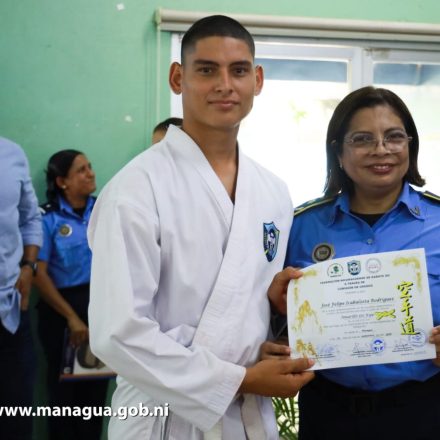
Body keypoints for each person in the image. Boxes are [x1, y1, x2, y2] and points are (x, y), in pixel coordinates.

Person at [87, 15, 314, 440]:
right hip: (162, 417)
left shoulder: (273, 190)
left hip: (249, 416)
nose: (225, 85)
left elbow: (241, 310)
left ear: (257, 80)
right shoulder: (136, 188)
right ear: (178, 78)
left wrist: (272, 315)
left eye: (239, 70)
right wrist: (238, 379)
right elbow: (117, 333)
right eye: (207, 70)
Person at [265, 86, 440, 440]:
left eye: (394, 137)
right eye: (362, 139)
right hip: (327, 410)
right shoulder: (299, 226)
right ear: (338, 153)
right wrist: (275, 313)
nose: (381, 150)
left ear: (410, 145)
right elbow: (272, 322)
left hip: (423, 409)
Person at [33, 150, 108, 440]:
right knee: (64, 396)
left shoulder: (103, 209)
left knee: (95, 393)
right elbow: (39, 274)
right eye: (81, 170)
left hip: (99, 305)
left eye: (90, 166)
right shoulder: (47, 217)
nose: (91, 173)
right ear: (62, 182)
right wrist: (72, 318)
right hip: (62, 311)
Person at [0, 137, 42, 440]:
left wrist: (29, 266)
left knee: (16, 414)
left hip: (11, 309)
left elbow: (30, 217)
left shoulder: (11, 153)